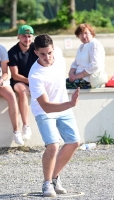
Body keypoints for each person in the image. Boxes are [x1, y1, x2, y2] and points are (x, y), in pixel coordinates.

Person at [28, 34, 80, 197]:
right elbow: (46, 106)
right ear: (36, 52)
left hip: (63, 106)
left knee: (74, 142)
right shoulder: (35, 75)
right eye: (42, 54)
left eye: (49, 53)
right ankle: (47, 184)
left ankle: (54, 177)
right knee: (53, 145)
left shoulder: (57, 52)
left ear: (53, 49)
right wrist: (70, 104)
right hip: (44, 111)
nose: (47, 57)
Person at [8, 25, 38, 140]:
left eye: (29, 36)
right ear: (18, 36)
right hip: (18, 81)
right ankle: (26, 126)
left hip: (33, 80)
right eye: (24, 36)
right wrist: (30, 81)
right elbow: (15, 75)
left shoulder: (36, 49)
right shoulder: (12, 52)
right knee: (23, 90)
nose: (27, 39)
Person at [66, 23, 105, 89]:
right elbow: (75, 63)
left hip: (89, 81)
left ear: (91, 33)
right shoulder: (82, 46)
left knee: (60, 86)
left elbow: (94, 65)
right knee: (58, 83)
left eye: (86, 33)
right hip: (79, 79)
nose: (83, 36)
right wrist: (71, 73)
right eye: (81, 34)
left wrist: (78, 76)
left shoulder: (94, 44)